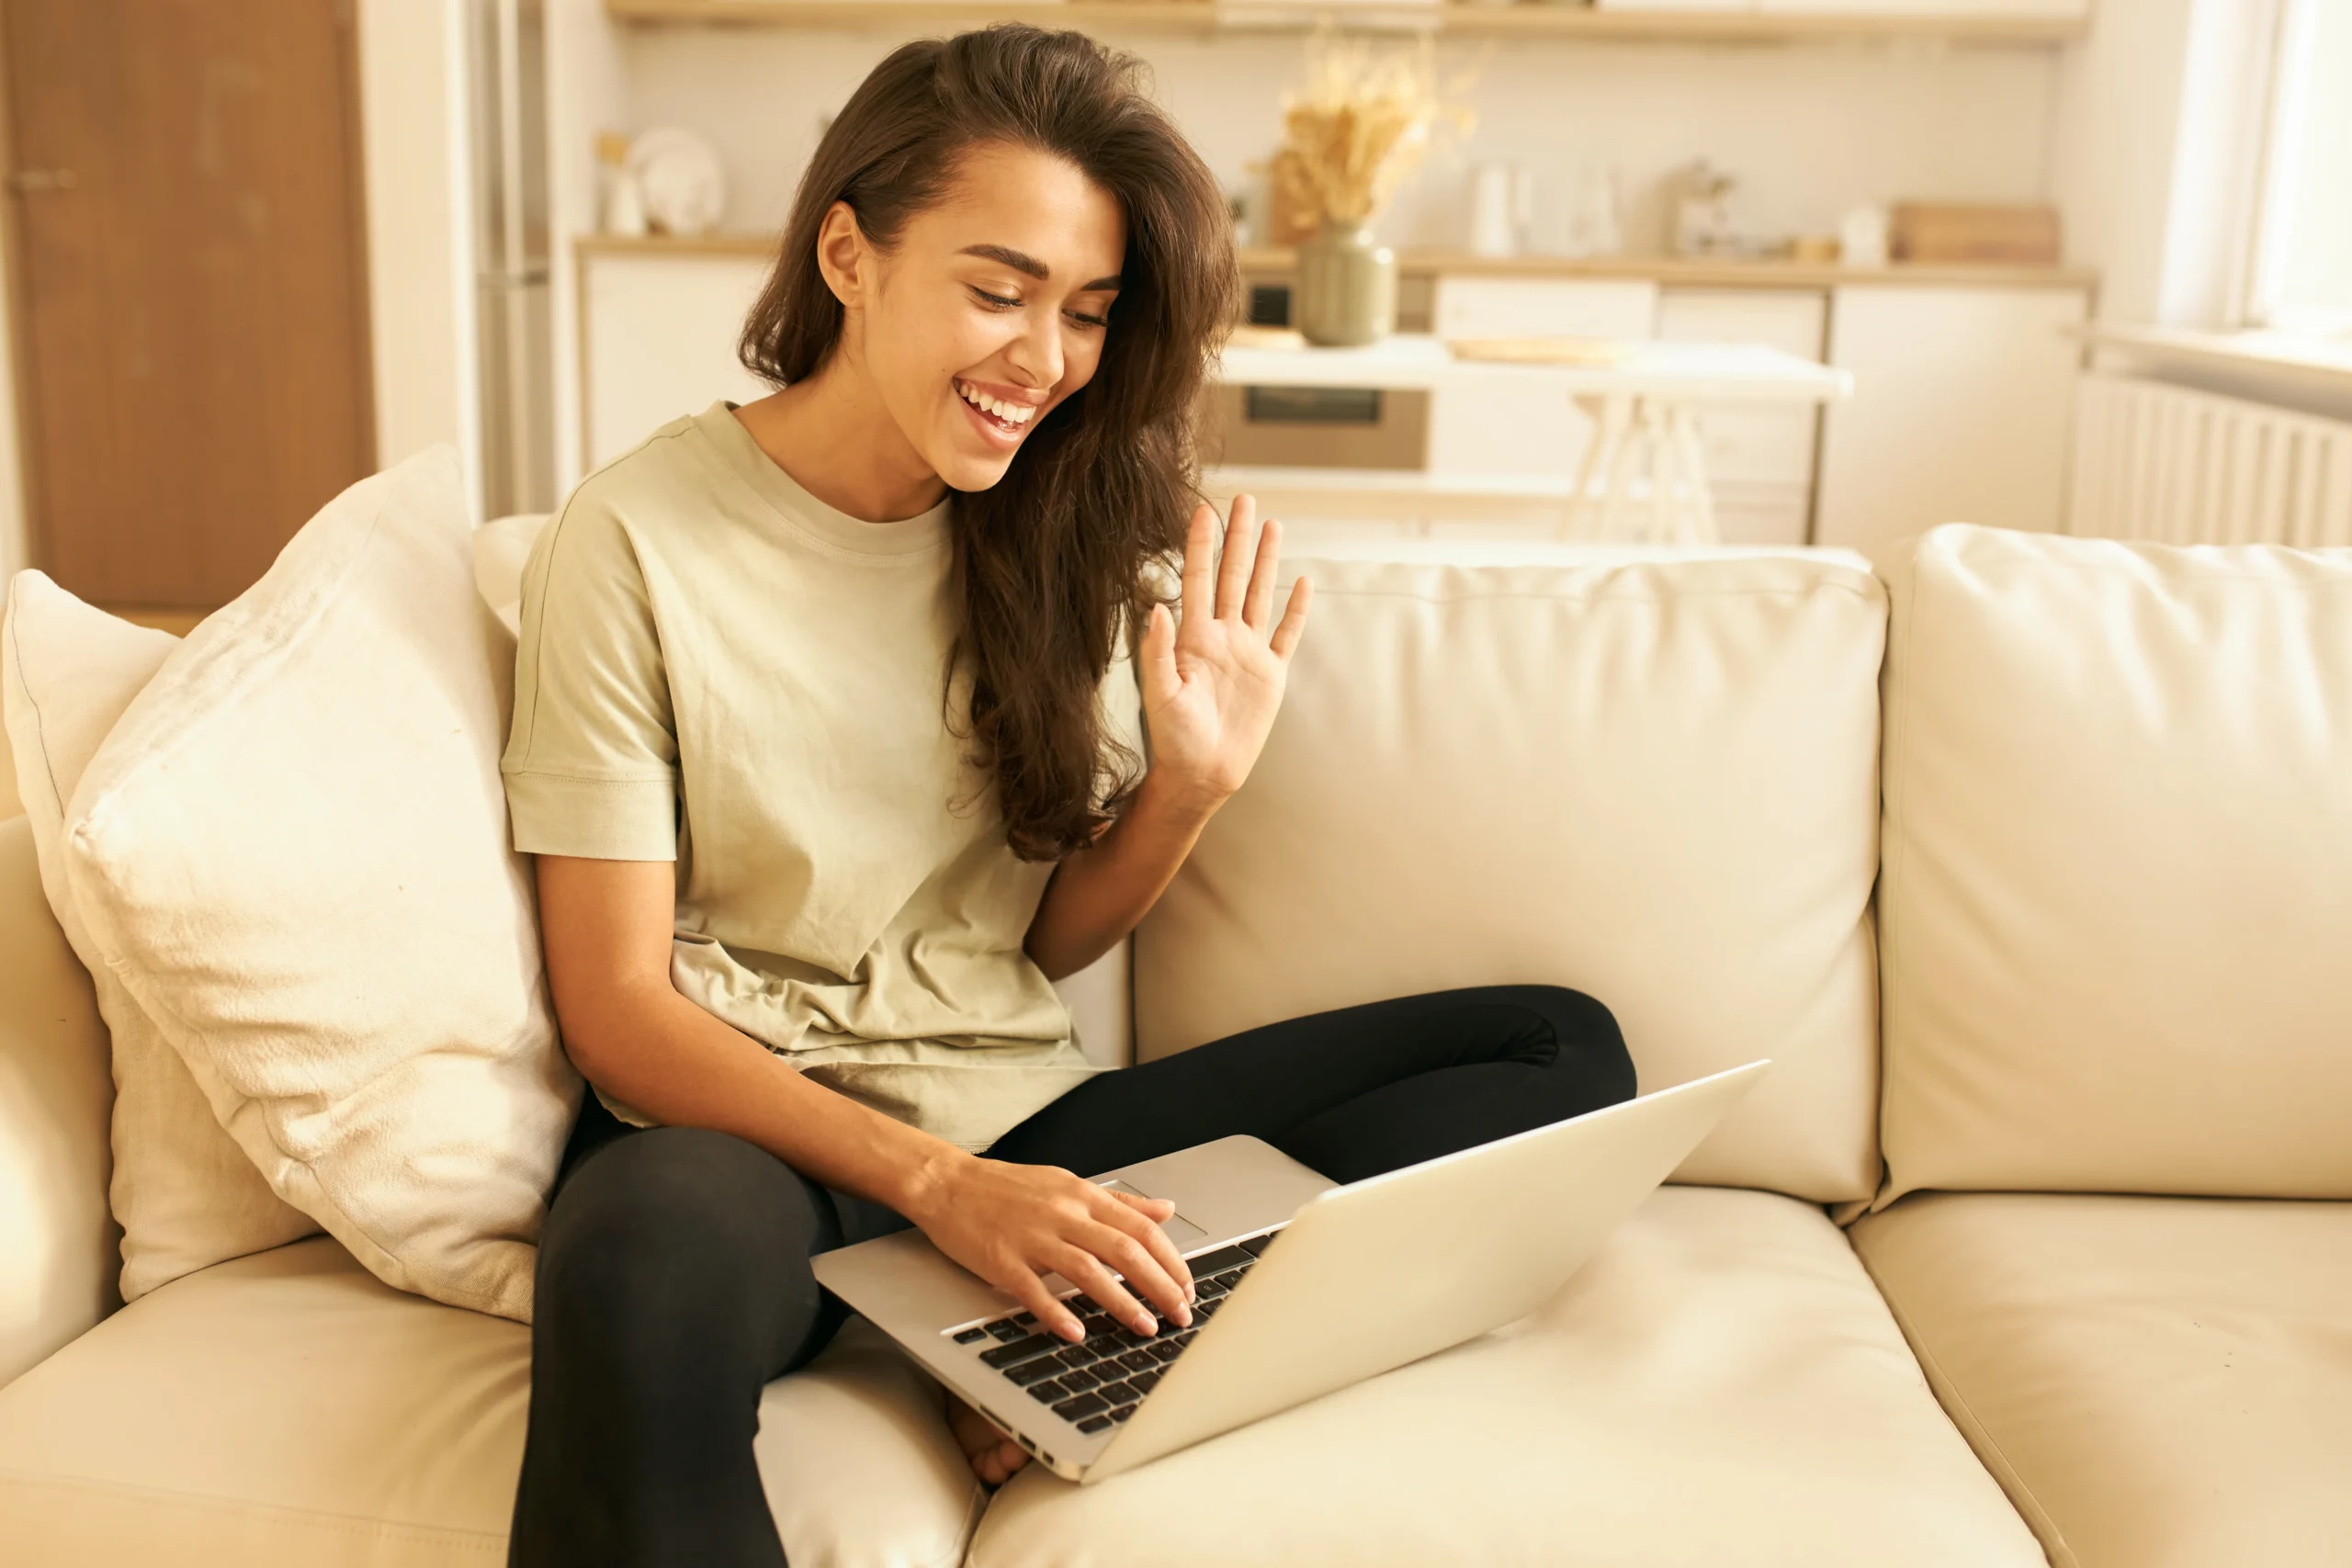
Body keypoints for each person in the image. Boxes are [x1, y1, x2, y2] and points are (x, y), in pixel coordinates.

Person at [500, 25, 1635, 1568]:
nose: (1045, 359)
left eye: (1089, 314)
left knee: (1557, 1044)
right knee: (632, 1256)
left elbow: (1027, 949)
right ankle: (1025, 1316)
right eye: (997, 289)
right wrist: (944, 1193)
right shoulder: (634, 540)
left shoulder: (1065, 526)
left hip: (1025, 1121)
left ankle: (1077, 1348)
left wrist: (1186, 787)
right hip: (764, 1145)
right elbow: (618, 1006)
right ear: (848, 251)